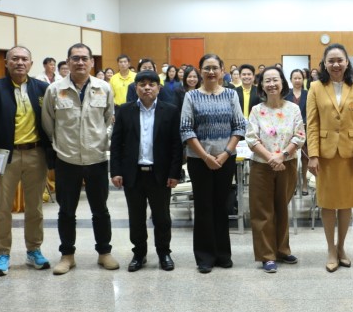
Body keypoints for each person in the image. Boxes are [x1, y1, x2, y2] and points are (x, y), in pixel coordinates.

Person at [42, 43, 117, 275]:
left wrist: (102, 140)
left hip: (96, 158)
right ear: (68, 62)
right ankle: (67, 255)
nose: (80, 62)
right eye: (75, 58)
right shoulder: (54, 90)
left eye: (85, 58)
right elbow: (48, 122)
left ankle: (104, 252)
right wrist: (60, 144)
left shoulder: (104, 88)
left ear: (92, 62)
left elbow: (109, 119)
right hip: (67, 160)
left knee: (100, 210)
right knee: (66, 211)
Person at [0, 46, 52, 277]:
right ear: (6, 62)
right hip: (4, 156)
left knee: (35, 207)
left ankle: (34, 250)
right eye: (15, 59)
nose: (20, 62)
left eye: (24, 59)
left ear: (31, 63)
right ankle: (2, 253)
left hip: (35, 154)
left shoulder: (42, 89)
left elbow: (52, 122)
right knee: (2, 208)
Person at [180, 54, 246, 273]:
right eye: (206, 68)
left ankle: (223, 254)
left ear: (222, 70)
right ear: (200, 71)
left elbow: (239, 126)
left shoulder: (231, 94)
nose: (210, 72)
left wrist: (225, 153)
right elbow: (186, 129)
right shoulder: (191, 96)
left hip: (225, 160)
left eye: (214, 68)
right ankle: (205, 257)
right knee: (203, 207)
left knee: (221, 206)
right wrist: (206, 157)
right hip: (199, 161)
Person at [110, 71, 183, 272]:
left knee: (162, 217)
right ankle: (139, 253)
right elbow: (116, 143)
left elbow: (176, 145)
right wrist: (115, 171)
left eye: (152, 84)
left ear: (159, 88)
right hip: (133, 173)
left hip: (160, 174)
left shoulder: (170, 111)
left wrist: (174, 173)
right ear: (136, 88)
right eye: (142, 84)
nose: (147, 88)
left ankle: (164, 252)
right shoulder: (125, 110)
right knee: (136, 217)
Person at [306, 43, 353, 273]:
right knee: (327, 203)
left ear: (347, 62)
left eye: (339, 60)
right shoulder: (315, 87)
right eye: (331, 60)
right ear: (324, 63)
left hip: (349, 156)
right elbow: (312, 124)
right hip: (325, 155)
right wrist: (313, 154)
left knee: (346, 203)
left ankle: (341, 247)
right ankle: (330, 249)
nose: (335, 64)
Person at [245, 67, 306, 273]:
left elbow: (299, 136)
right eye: (267, 81)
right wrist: (271, 158)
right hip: (261, 165)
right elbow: (251, 138)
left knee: (282, 207)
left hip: (287, 164)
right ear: (261, 85)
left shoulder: (293, 109)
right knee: (263, 211)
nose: (271, 84)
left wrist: (282, 156)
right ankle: (267, 255)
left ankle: (282, 249)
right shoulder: (256, 110)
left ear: (282, 83)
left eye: (275, 80)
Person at [287, 69, 310, 195]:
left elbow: (311, 111)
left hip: (306, 129)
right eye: (295, 78)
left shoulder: (308, 93)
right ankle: (293, 185)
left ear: (303, 79)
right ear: (291, 80)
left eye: (299, 78)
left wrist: (303, 122)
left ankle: (305, 184)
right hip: (289, 131)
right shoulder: (286, 94)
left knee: (305, 159)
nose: (297, 80)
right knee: (291, 158)